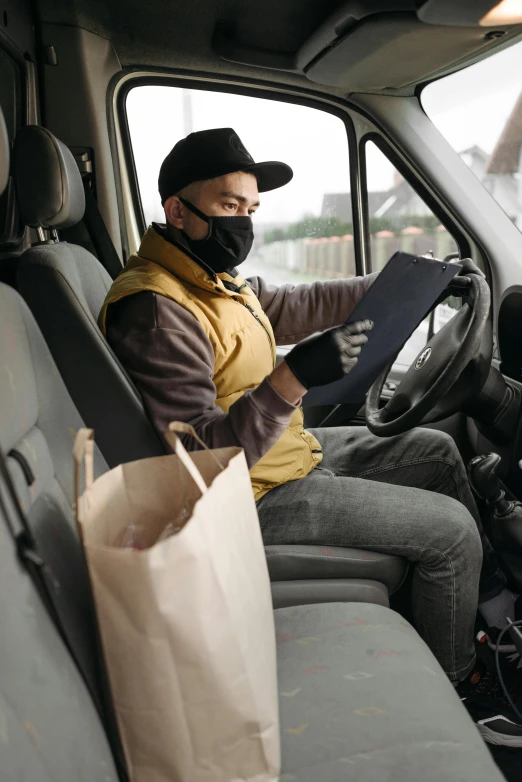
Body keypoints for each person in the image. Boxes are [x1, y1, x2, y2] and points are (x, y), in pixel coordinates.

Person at [100, 127, 521, 744]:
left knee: (436, 450)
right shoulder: (158, 309)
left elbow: (296, 302)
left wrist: (421, 283)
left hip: (284, 458)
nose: (242, 224)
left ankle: (487, 613)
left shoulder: (208, 278)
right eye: (227, 207)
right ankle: (464, 688)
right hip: (248, 499)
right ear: (176, 211)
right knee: (452, 531)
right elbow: (203, 464)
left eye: (249, 210)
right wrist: (293, 378)